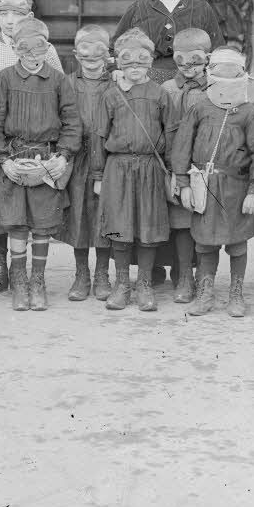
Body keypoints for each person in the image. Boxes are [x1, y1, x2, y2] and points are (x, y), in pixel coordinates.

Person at [0, 17, 81, 312]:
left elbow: (72, 123)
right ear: (14, 48)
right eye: (26, 50)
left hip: (47, 161)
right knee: (16, 224)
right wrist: (2, 161)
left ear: (47, 48)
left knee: (41, 225)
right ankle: (20, 280)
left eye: (39, 50)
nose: (33, 57)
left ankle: (38, 280)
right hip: (14, 160)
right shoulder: (3, 79)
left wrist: (62, 156)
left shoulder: (59, 80)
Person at [0, 0, 64, 298]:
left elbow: (57, 92)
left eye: (17, 14)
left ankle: (27, 276)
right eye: (2, 13)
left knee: (29, 213)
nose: (9, 20)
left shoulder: (46, 50)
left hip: (33, 143)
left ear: (30, 16)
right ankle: (1, 270)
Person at [170, 46, 254, 318]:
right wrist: (183, 184)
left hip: (236, 188)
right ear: (210, 75)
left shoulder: (249, 113)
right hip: (204, 185)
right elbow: (182, 147)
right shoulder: (199, 107)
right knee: (205, 242)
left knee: (237, 242)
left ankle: (236, 294)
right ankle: (205, 293)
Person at [94, 29, 172, 311]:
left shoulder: (160, 94)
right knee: (118, 226)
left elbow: (170, 134)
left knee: (148, 226)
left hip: (150, 168)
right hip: (118, 169)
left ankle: (145, 284)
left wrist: (173, 173)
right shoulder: (110, 95)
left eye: (141, 63)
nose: (135, 69)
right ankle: (122, 283)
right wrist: (98, 175)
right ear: (119, 64)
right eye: (129, 64)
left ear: (150, 62)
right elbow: (99, 136)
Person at [60, 24, 114, 301]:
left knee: (104, 218)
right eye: (85, 56)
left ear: (108, 54)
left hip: (108, 161)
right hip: (78, 161)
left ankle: (103, 273)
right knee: (79, 218)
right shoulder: (66, 83)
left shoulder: (117, 83)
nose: (92, 62)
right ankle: (82, 273)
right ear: (76, 54)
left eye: (98, 56)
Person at [161, 27, 212, 304]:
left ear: (208, 58)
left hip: (206, 166)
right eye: (182, 61)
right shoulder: (168, 89)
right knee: (181, 220)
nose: (189, 67)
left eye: (196, 60)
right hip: (176, 165)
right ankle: (183, 276)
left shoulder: (217, 89)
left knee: (203, 220)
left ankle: (203, 276)